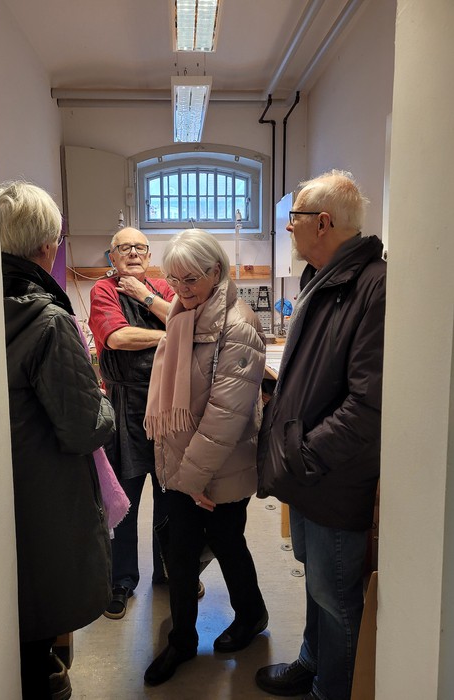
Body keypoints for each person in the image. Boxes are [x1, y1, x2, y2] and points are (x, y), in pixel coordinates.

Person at [255, 170, 386, 700]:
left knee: (336, 599)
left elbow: (368, 405)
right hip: (309, 472)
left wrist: (305, 455)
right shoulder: (324, 278)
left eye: (295, 218)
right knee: (316, 583)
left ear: (323, 222)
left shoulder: (373, 286)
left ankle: (332, 691)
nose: (289, 228)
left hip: (332, 474)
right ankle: (312, 663)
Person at [0, 181, 116, 699]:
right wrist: (105, 400)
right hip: (42, 494)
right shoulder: (46, 318)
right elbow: (85, 426)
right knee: (38, 615)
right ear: (48, 246)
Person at [143, 229, 268, 686]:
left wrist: (193, 478)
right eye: (174, 280)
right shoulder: (183, 315)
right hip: (183, 467)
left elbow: (225, 415)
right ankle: (182, 640)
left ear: (216, 271)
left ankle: (251, 615)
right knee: (179, 553)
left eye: (191, 279)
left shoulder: (237, 325)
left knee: (228, 543)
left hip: (221, 468)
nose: (181, 289)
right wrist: (180, 474)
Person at [88, 227, 176, 619]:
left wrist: (145, 297)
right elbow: (118, 338)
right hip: (125, 407)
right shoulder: (103, 291)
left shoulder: (162, 288)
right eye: (125, 248)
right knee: (123, 501)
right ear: (112, 256)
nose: (134, 253)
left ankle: (169, 571)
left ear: (150, 254)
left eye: (141, 247)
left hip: (169, 406)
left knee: (170, 497)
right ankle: (121, 581)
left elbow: (186, 321)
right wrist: (168, 335)